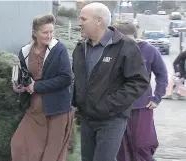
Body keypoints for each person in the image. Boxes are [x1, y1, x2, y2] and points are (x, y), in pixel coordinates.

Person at [72, 3, 149, 161]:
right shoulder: (80, 48)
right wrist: (75, 102)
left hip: (112, 119)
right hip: (86, 118)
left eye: (83, 19)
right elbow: (77, 79)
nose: (79, 23)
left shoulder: (126, 46)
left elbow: (139, 82)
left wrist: (108, 104)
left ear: (99, 21)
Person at [11, 14, 73, 161]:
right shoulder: (25, 52)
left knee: (51, 154)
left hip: (57, 109)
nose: (49, 35)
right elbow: (25, 77)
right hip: (35, 108)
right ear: (35, 33)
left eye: (51, 31)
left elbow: (66, 78)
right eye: (45, 32)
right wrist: (21, 86)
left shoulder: (59, 49)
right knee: (19, 144)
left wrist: (37, 85)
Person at [114, 22, 168, 161]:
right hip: (118, 107)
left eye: (128, 39)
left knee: (143, 144)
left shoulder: (149, 50)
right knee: (121, 147)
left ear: (135, 37)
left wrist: (157, 97)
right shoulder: (113, 50)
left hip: (142, 106)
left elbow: (162, 74)